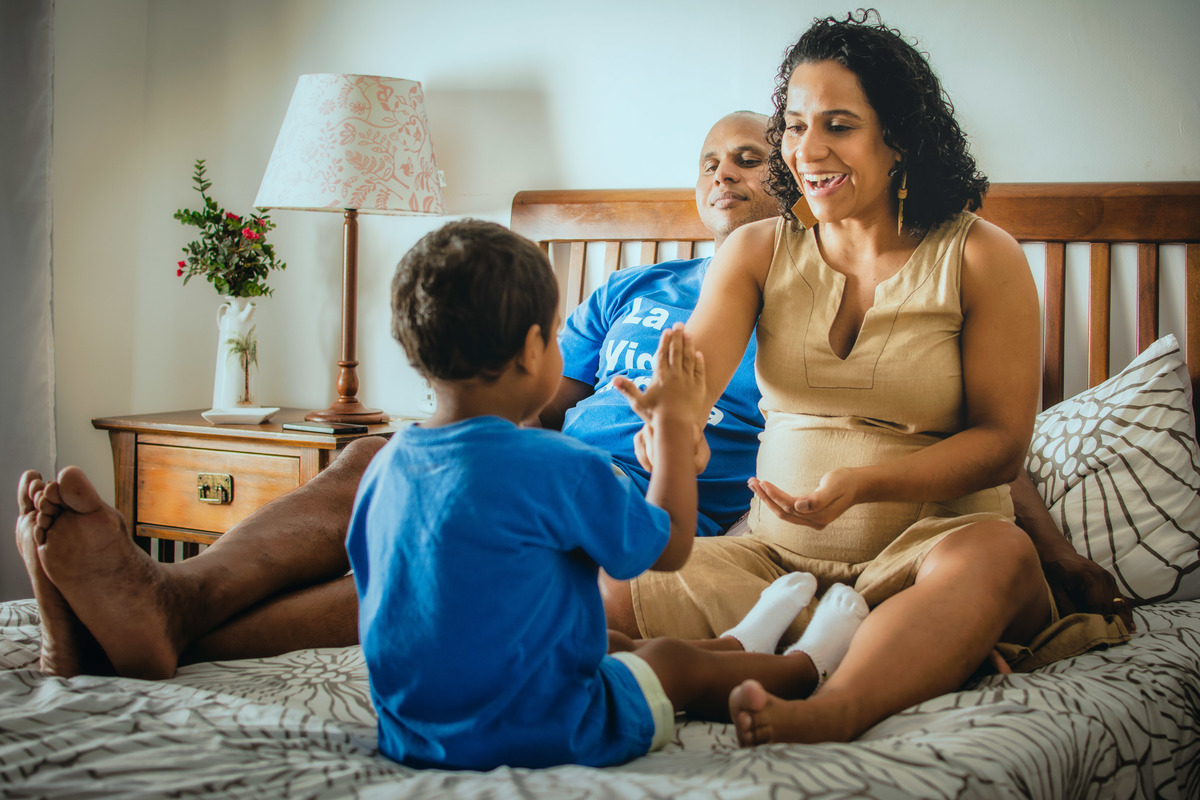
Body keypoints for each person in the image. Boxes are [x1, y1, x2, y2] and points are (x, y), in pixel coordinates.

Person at [13, 111, 780, 680]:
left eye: (748, 160)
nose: (722, 174)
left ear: (795, 182)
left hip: (634, 484)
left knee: (453, 538)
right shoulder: (632, 285)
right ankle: (172, 593)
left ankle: (149, 620)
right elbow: (541, 400)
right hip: (547, 464)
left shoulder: (801, 310)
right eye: (709, 161)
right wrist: (473, 453)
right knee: (371, 458)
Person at [603, 10, 1132, 745]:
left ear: (899, 137)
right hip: (776, 567)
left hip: (929, 558)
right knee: (612, 583)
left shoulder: (983, 256)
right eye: (794, 126)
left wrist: (864, 484)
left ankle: (834, 706)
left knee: (999, 556)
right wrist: (672, 429)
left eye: (839, 125)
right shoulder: (754, 251)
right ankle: (858, 646)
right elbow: (691, 386)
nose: (808, 149)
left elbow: (1003, 445)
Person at [347, 217, 872, 770]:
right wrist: (673, 435)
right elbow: (666, 549)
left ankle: (741, 644)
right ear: (531, 350)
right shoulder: (559, 465)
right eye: (555, 336)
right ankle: (807, 665)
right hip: (548, 730)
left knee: (609, 645)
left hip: (413, 733)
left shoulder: (385, 466)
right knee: (670, 663)